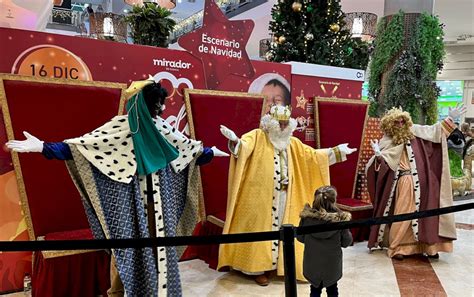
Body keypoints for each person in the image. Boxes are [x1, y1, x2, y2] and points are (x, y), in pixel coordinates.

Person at [6, 77, 228, 296]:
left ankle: (157, 289)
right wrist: (43, 147)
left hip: (158, 204)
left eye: (161, 103)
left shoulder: (161, 128)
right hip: (128, 201)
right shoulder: (120, 127)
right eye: (156, 102)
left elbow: (185, 152)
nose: (160, 107)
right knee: (125, 249)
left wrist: (209, 152)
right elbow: (84, 148)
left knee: (159, 248)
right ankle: (118, 291)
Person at [217, 104, 357, 285]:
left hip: (286, 196)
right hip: (259, 196)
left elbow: (313, 157)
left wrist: (336, 152)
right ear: (270, 122)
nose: (282, 127)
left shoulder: (293, 144)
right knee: (261, 230)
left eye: (285, 124)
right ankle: (258, 268)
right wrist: (235, 141)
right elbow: (243, 148)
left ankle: (280, 265)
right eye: (279, 123)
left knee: (285, 228)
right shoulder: (258, 136)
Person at [366, 105, 466, 260]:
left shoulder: (415, 131)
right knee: (403, 213)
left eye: (402, 121)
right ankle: (397, 247)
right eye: (396, 122)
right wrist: (378, 156)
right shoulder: (387, 140)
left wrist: (451, 119)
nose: (400, 125)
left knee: (427, 216)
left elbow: (435, 131)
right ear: (389, 125)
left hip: (425, 181)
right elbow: (383, 164)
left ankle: (428, 247)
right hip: (404, 181)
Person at [297, 186, 352, 297]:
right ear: (334, 200)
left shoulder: (306, 218)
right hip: (332, 264)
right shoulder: (340, 220)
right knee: (332, 289)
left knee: (314, 289)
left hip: (312, 263)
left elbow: (300, 238)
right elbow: (346, 242)